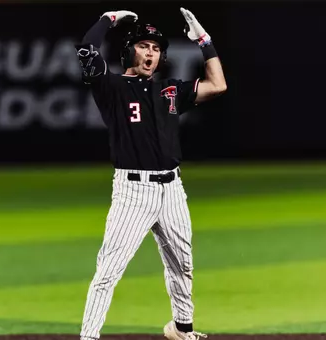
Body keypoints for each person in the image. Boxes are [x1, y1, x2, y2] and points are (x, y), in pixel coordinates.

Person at [74, 7, 227, 340]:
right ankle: (89, 337)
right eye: (144, 46)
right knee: (108, 271)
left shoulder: (168, 91)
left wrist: (204, 41)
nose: (151, 53)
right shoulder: (111, 87)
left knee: (182, 264)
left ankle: (181, 329)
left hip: (173, 189)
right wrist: (107, 20)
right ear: (129, 51)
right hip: (132, 191)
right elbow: (86, 49)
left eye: (156, 49)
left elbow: (218, 85)